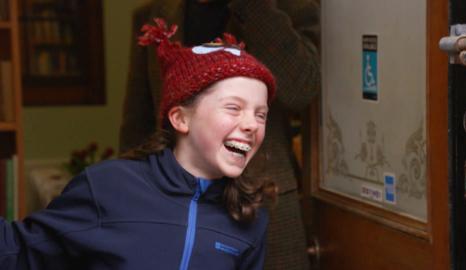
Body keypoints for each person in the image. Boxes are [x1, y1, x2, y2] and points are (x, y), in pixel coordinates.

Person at [0, 19, 277, 269]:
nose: (252, 124)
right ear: (181, 119)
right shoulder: (108, 187)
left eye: (260, 114)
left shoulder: (250, 215)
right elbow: (15, 252)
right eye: (233, 108)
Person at [120, 1, 321, 269]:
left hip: (265, 209)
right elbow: (139, 124)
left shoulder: (289, 6)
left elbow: (302, 89)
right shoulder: (153, 14)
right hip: (173, 208)